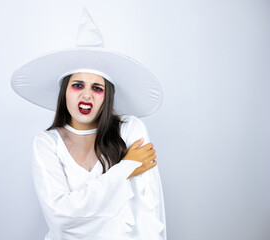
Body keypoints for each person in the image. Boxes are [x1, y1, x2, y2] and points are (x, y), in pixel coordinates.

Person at [11, 8, 166, 240]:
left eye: (97, 88)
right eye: (78, 85)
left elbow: (148, 213)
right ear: (64, 91)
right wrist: (126, 168)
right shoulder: (46, 144)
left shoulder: (130, 130)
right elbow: (62, 220)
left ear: (107, 95)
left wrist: (83, 208)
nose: (87, 95)